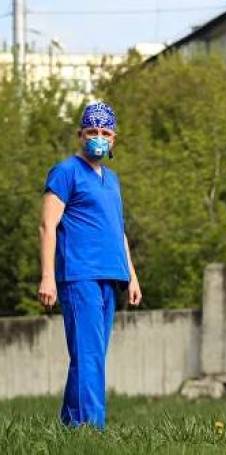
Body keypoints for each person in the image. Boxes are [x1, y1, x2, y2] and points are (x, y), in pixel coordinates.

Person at [37, 101, 142, 429]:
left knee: (91, 355)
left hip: (110, 276)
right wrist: (47, 277)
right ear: (80, 134)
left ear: (114, 139)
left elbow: (118, 230)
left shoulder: (112, 180)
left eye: (105, 132)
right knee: (89, 356)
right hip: (79, 274)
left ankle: (72, 427)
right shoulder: (66, 172)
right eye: (92, 131)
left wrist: (132, 276)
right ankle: (91, 430)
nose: (99, 137)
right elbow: (47, 225)